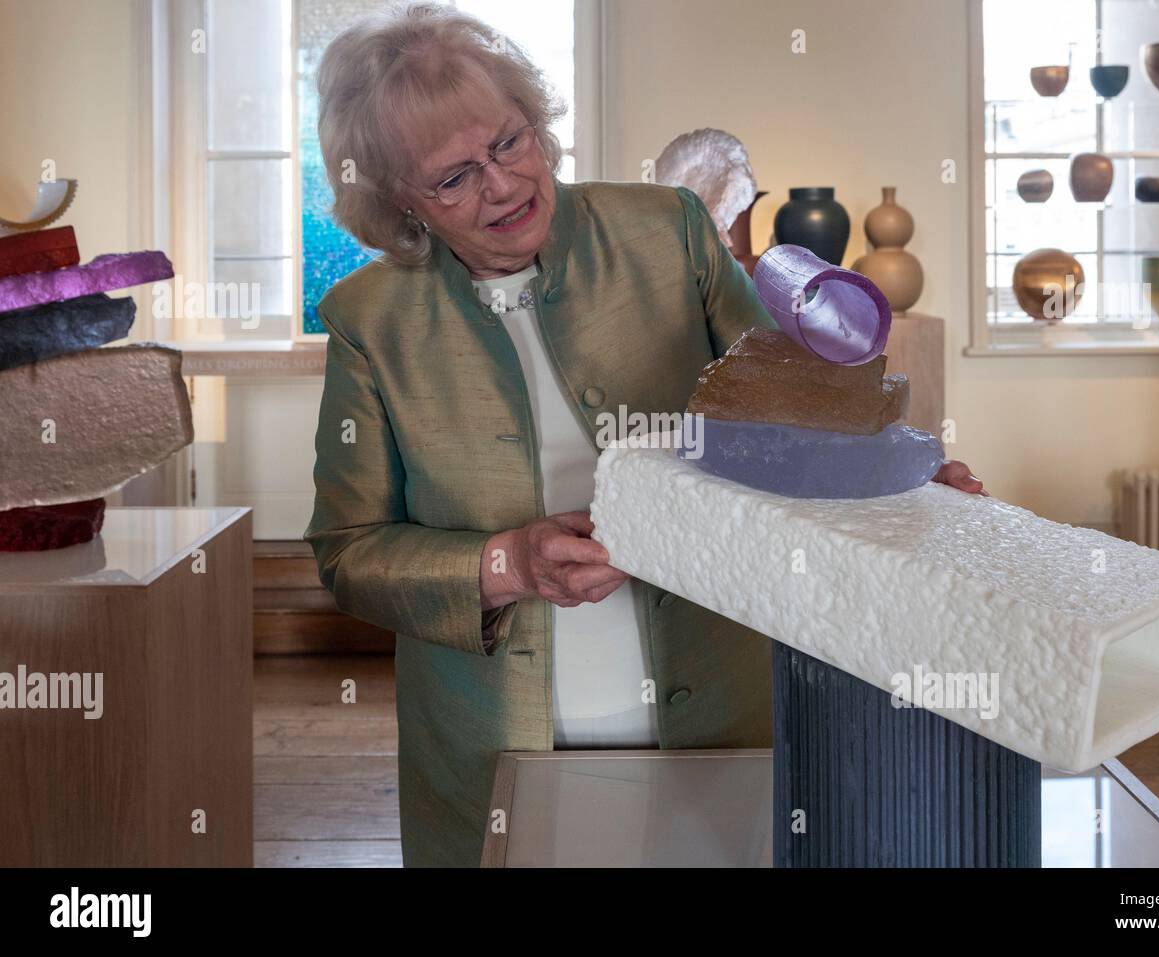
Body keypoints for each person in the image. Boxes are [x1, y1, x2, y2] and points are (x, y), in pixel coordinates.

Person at [305, 1, 987, 867]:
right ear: (400, 199)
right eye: (454, 178)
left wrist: (898, 486)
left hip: (718, 716)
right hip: (496, 748)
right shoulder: (369, 319)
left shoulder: (667, 231)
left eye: (509, 143)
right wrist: (508, 562)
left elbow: (785, 413)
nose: (504, 185)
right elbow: (347, 552)